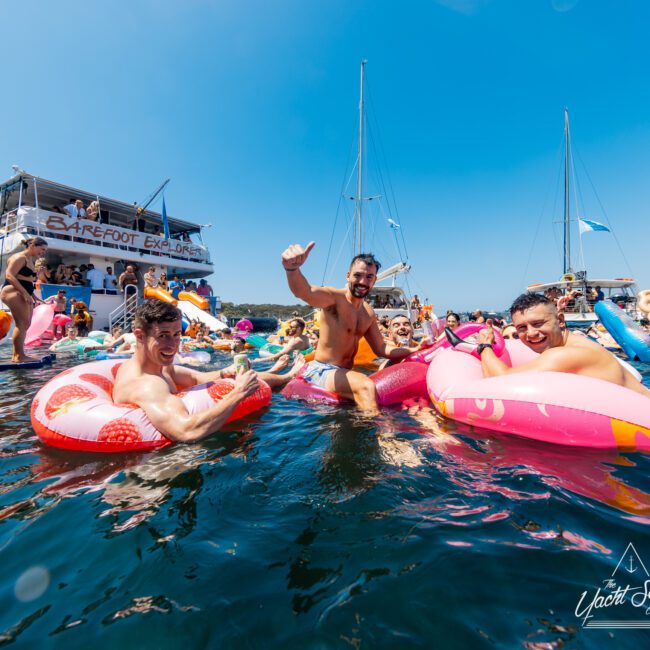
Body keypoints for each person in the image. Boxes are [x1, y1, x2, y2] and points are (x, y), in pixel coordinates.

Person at [111, 301, 302, 442]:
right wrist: (239, 393)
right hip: (159, 476)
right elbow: (186, 431)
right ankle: (286, 375)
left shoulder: (158, 365)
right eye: (163, 336)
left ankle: (286, 375)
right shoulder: (146, 384)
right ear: (140, 336)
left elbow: (195, 377)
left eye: (177, 335)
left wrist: (223, 373)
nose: (172, 345)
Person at [281, 241, 413, 412]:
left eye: (369, 277)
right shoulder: (334, 299)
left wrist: (414, 350)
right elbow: (304, 292)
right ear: (348, 276)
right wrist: (292, 270)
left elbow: (381, 348)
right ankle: (383, 437)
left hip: (343, 373)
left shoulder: (368, 313)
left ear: (374, 280)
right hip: (321, 370)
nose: (363, 281)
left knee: (368, 386)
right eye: (357, 275)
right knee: (366, 386)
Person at [476, 293, 650, 397]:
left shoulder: (566, 354)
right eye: (522, 327)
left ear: (560, 320)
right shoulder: (574, 344)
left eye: (538, 323)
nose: (530, 333)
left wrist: (485, 345)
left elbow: (501, 380)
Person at [0, 237, 48, 362]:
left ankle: (18, 354)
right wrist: (24, 293)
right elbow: (9, 275)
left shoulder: (30, 260)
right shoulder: (19, 257)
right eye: (42, 249)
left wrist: (33, 296)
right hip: (12, 291)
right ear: (32, 245)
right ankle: (18, 356)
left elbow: (26, 281)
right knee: (21, 324)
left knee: (26, 324)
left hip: (23, 292)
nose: (43, 252)